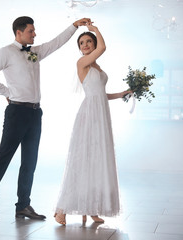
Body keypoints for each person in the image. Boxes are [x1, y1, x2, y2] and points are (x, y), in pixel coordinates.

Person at [0, 16, 92, 221]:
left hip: (35, 113)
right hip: (17, 112)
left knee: (30, 161)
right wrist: (6, 92)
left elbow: (56, 42)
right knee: (4, 157)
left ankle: (23, 205)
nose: (35, 34)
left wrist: (74, 26)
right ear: (18, 32)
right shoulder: (6, 52)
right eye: (31, 31)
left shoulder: (34, 52)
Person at [54, 22, 132, 225]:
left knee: (97, 160)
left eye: (89, 41)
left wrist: (123, 93)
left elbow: (101, 95)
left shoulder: (96, 66)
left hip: (101, 114)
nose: (85, 45)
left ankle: (92, 208)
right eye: (82, 43)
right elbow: (103, 48)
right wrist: (94, 29)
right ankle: (61, 209)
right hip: (89, 114)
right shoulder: (82, 63)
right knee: (83, 159)